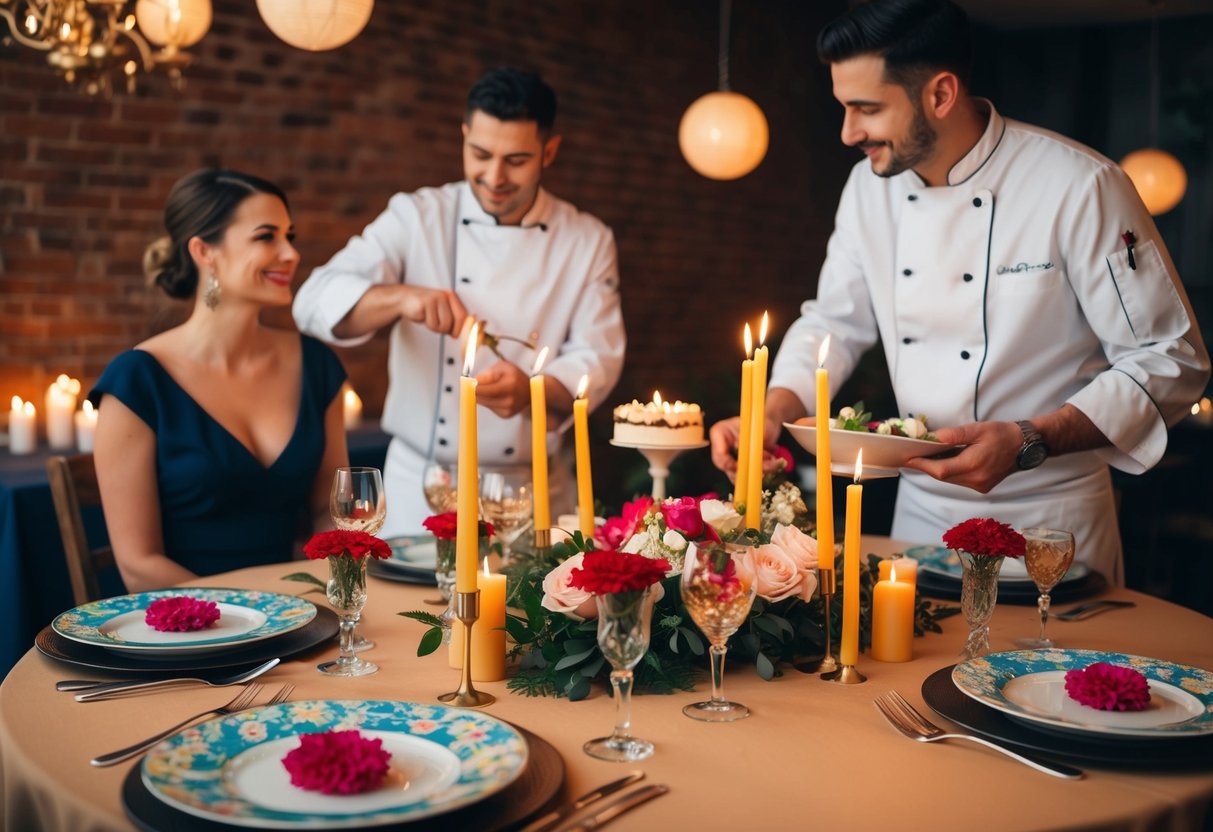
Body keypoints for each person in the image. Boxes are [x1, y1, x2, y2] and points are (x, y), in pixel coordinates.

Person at [709, 0, 1210, 584]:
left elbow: (1171, 359)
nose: (848, 132)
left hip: (1051, 524)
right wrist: (772, 413)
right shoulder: (869, 190)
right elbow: (834, 321)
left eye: (865, 108)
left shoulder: (1080, 185)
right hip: (921, 518)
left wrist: (1030, 439)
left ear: (940, 95)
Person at [293, 67, 625, 537]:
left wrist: (533, 390)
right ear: (464, 135)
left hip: (530, 496)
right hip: (419, 487)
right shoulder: (417, 215)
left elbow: (599, 356)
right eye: (481, 154)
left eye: (517, 160)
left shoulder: (587, 239)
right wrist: (400, 298)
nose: (494, 177)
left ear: (549, 152)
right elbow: (313, 301)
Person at [90, 169, 350, 592]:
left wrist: (328, 588)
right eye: (266, 236)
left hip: (297, 615)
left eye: (290, 237)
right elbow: (139, 564)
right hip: (188, 629)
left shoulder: (317, 365)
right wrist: (259, 613)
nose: (290, 254)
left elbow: (330, 509)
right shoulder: (137, 381)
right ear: (204, 251)